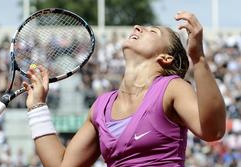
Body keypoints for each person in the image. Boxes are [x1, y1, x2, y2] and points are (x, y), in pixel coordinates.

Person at [22, 11, 226, 167]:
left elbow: (213, 131)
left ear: (165, 58)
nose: (137, 27)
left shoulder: (172, 88)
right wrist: (37, 106)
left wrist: (198, 58)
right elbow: (62, 165)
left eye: (151, 31)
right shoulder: (101, 106)